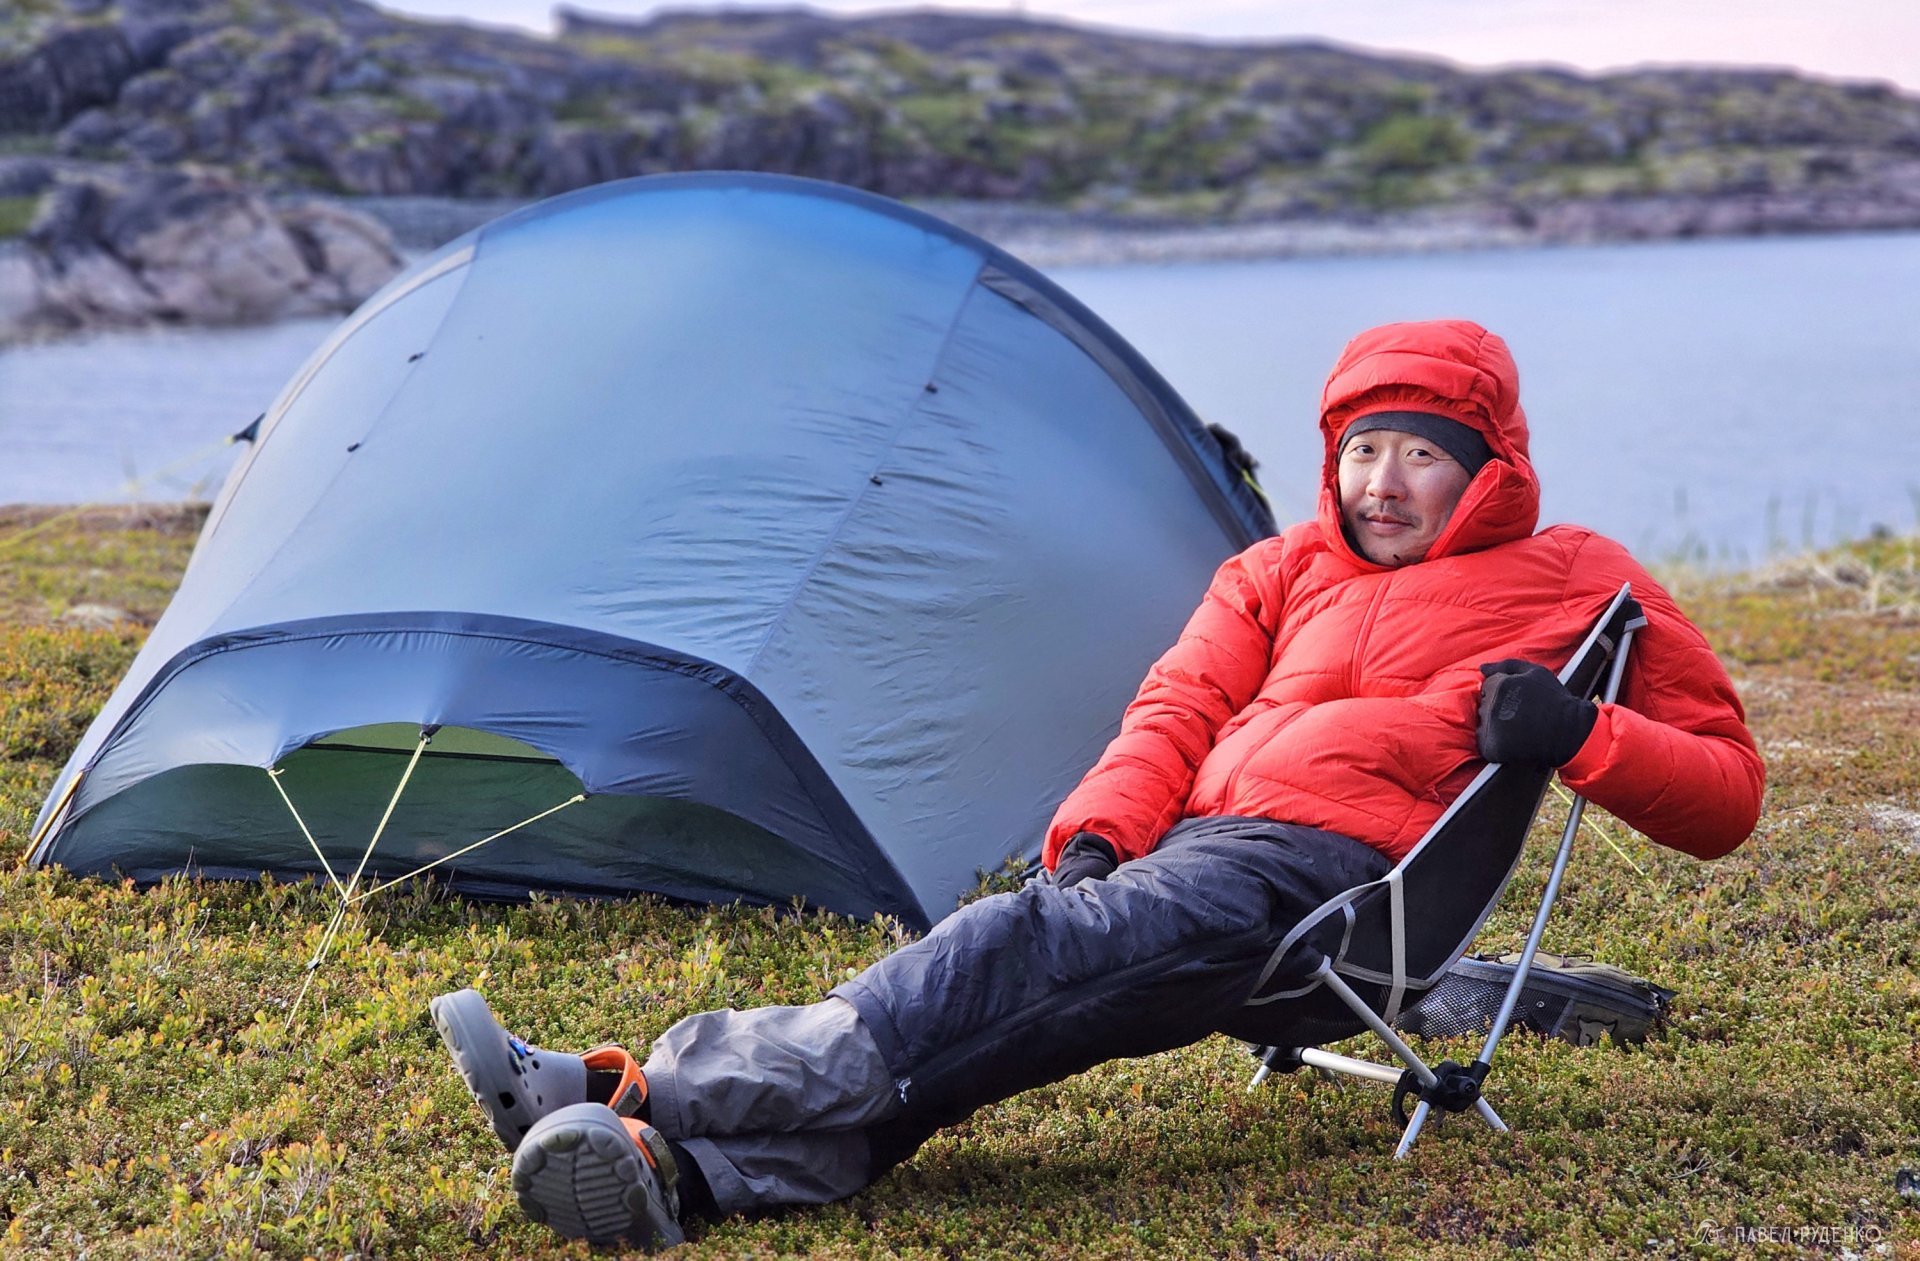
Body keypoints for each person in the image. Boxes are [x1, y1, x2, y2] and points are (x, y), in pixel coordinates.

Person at [430, 319, 1764, 1248]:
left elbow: (1727, 792)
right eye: (1363, 449)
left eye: (1420, 453)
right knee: (1021, 1007)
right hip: (1202, 858)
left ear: (1487, 465)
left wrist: (1578, 730)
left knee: (1009, 946)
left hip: (1340, 895)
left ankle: (628, 1088)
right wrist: (1100, 834)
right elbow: (1175, 710)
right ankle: (687, 1180)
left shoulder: (1578, 577)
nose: (1383, 482)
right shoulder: (1279, 569)